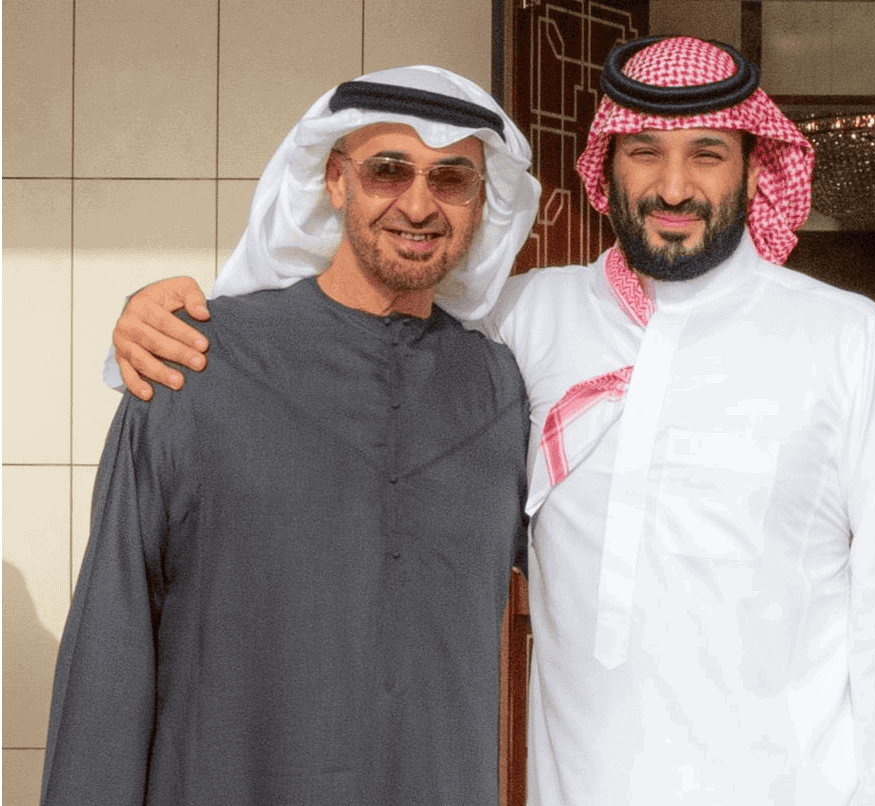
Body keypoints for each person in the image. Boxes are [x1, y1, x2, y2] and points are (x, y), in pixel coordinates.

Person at [105, 37, 875, 805]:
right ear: (604, 168)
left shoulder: (849, 343)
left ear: (753, 168)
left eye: (706, 154)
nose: (673, 187)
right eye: (644, 152)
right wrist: (157, 320)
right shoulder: (524, 318)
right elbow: (356, 336)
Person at [41, 66, 541, 806]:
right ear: (336, 180)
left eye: (451, 179)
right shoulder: (196, 365)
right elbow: (111, 639)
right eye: (388, 170)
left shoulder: (499, 389)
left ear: (481, 201)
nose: (418, 205)